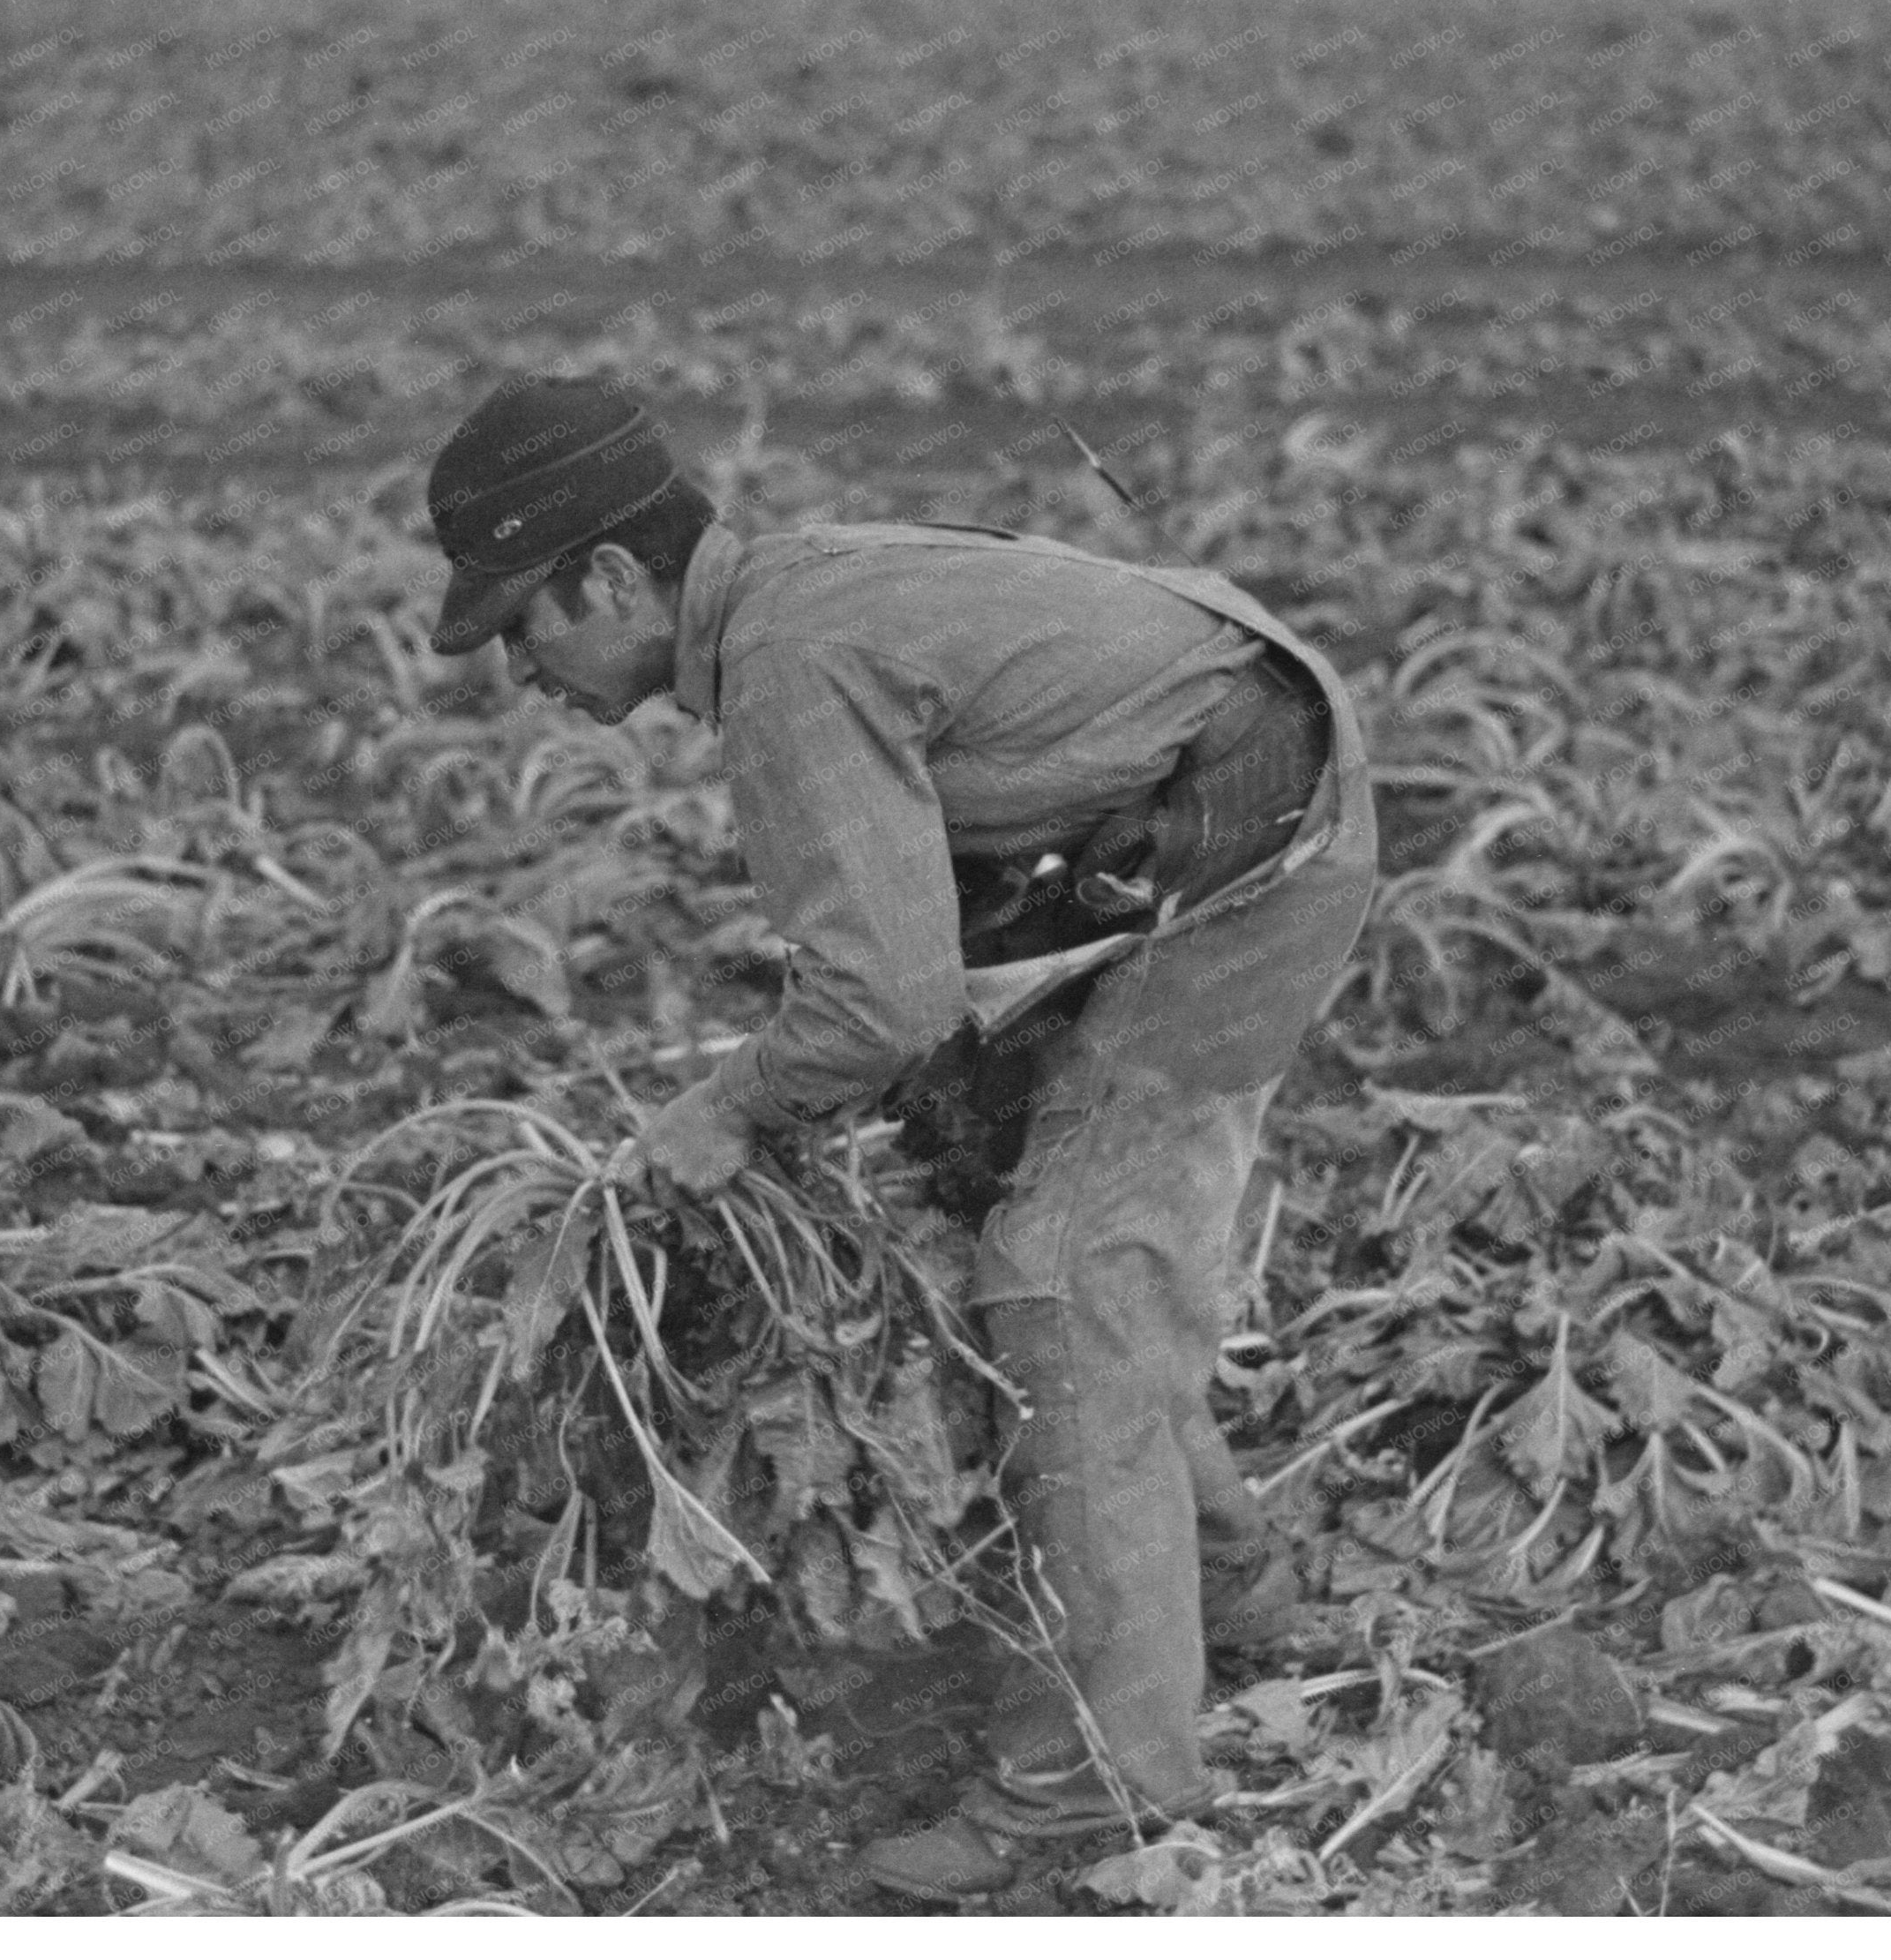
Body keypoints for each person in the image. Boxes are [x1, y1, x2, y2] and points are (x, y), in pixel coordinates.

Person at [421, 375, 1380, 1899]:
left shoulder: (792, 658)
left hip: (1248, 851)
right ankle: (1237, 1586)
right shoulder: (792, 604)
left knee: (1063, 1274)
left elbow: (880, 997)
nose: (522, 673)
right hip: (1206, 801)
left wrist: (729, 1111)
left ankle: (1097, 1787)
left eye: (524, 626)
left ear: (611, 577)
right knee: (1029, 1201)